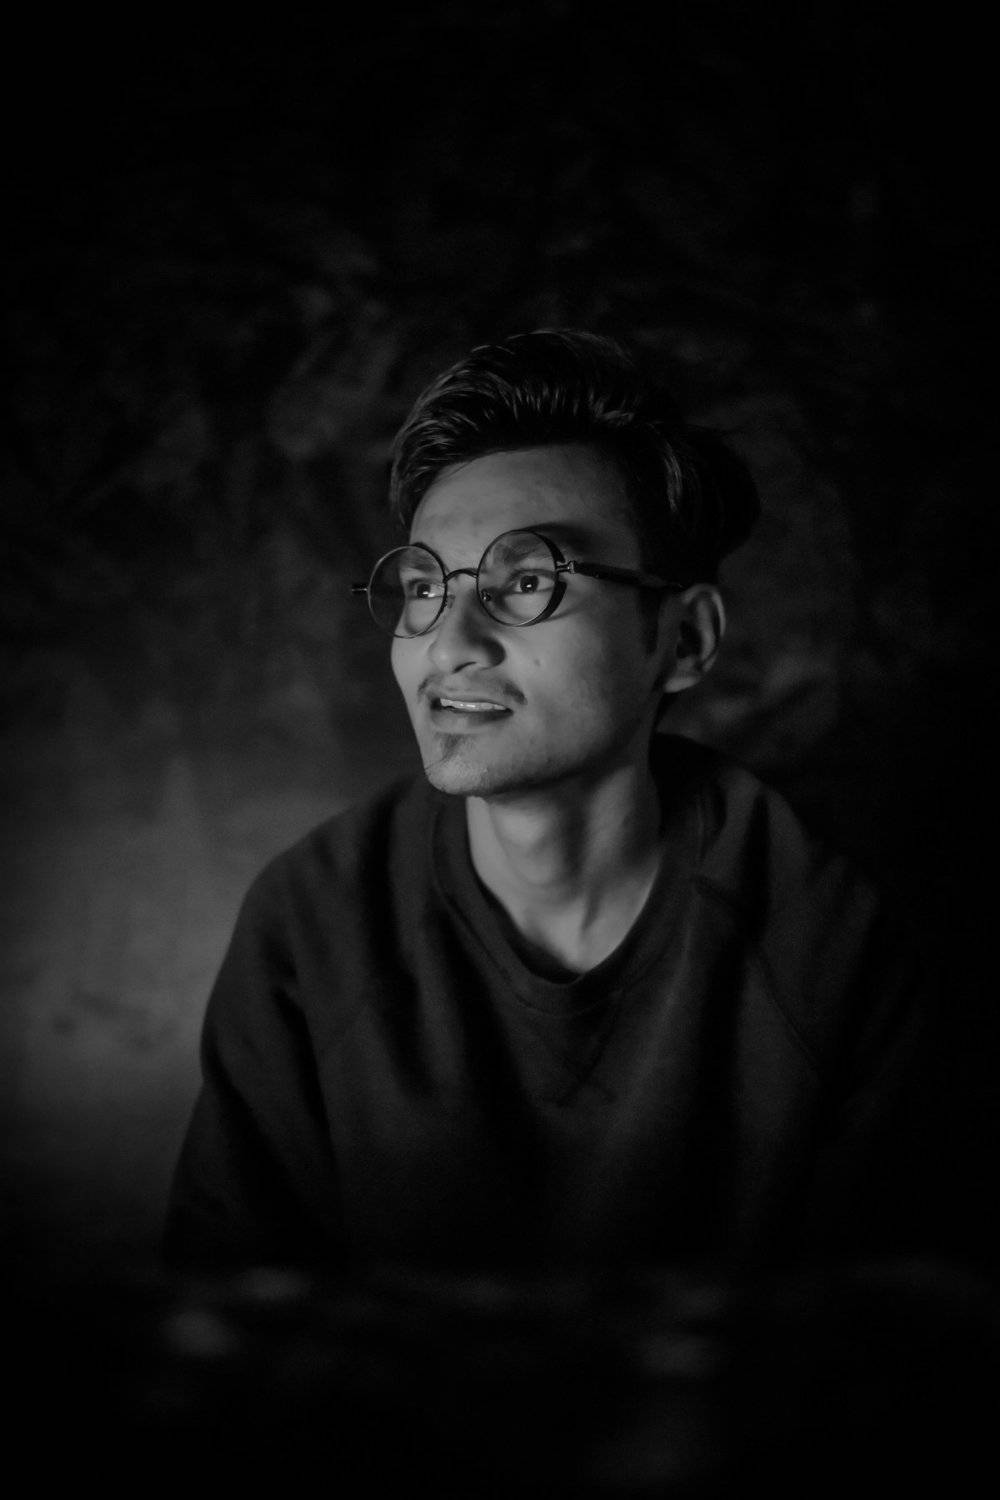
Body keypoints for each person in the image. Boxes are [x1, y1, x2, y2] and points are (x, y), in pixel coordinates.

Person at [164, 329, 937, 1276]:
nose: (451, 643)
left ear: (683, 641)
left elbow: (896, 1333)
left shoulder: (834, 933)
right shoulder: (315, 922)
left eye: (528, 581)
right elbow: (225, 1312)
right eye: (424, 586)